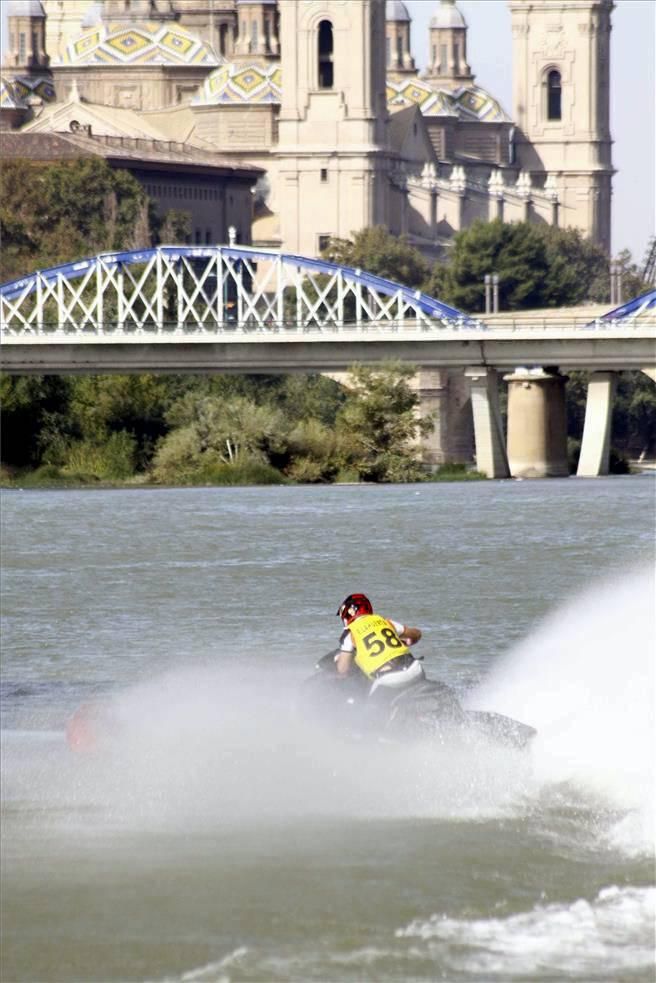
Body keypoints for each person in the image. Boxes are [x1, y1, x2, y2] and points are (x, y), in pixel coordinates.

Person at [335, 593, 424, 695]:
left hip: (388, 680)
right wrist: (411, 640)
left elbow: (342, 669)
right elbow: (416, 634)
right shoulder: (385, 621)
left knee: (367, 710)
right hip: (415, 669)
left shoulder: (350, 633)